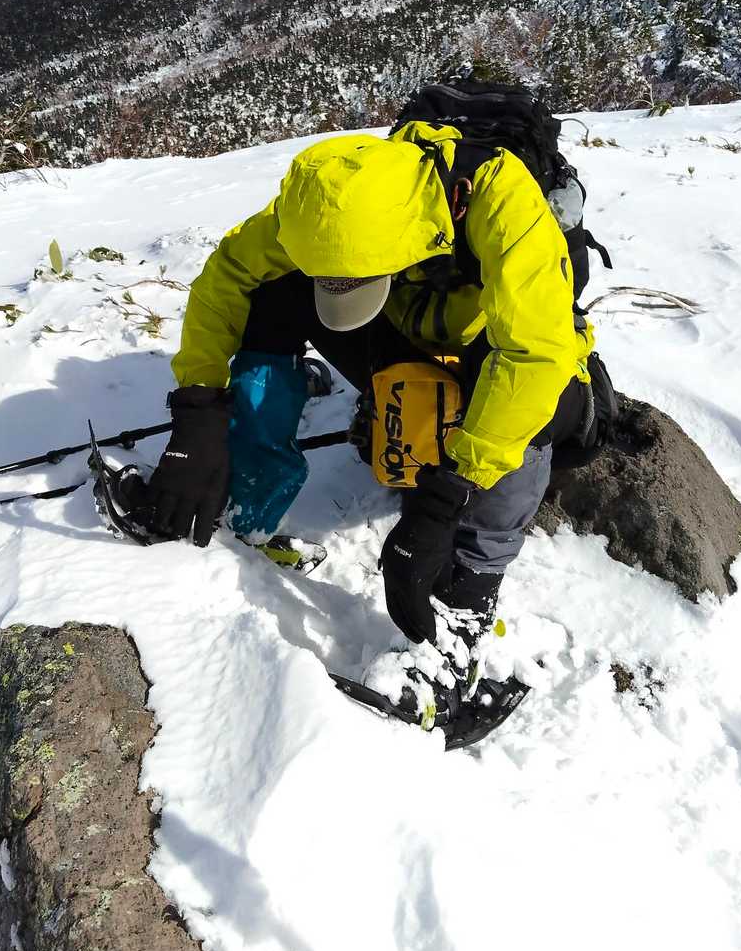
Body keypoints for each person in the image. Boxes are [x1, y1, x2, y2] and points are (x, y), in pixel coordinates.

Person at [135, 116, 599, 726]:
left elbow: (535, 355)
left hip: (496, 351)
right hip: (406, 328)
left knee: (542, 403)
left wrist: (446, 499)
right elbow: (228, 274)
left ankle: (463, 607)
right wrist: (199, 408)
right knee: (270, 294)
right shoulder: (324, 208)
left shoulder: (500, 202)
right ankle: (248, 497)